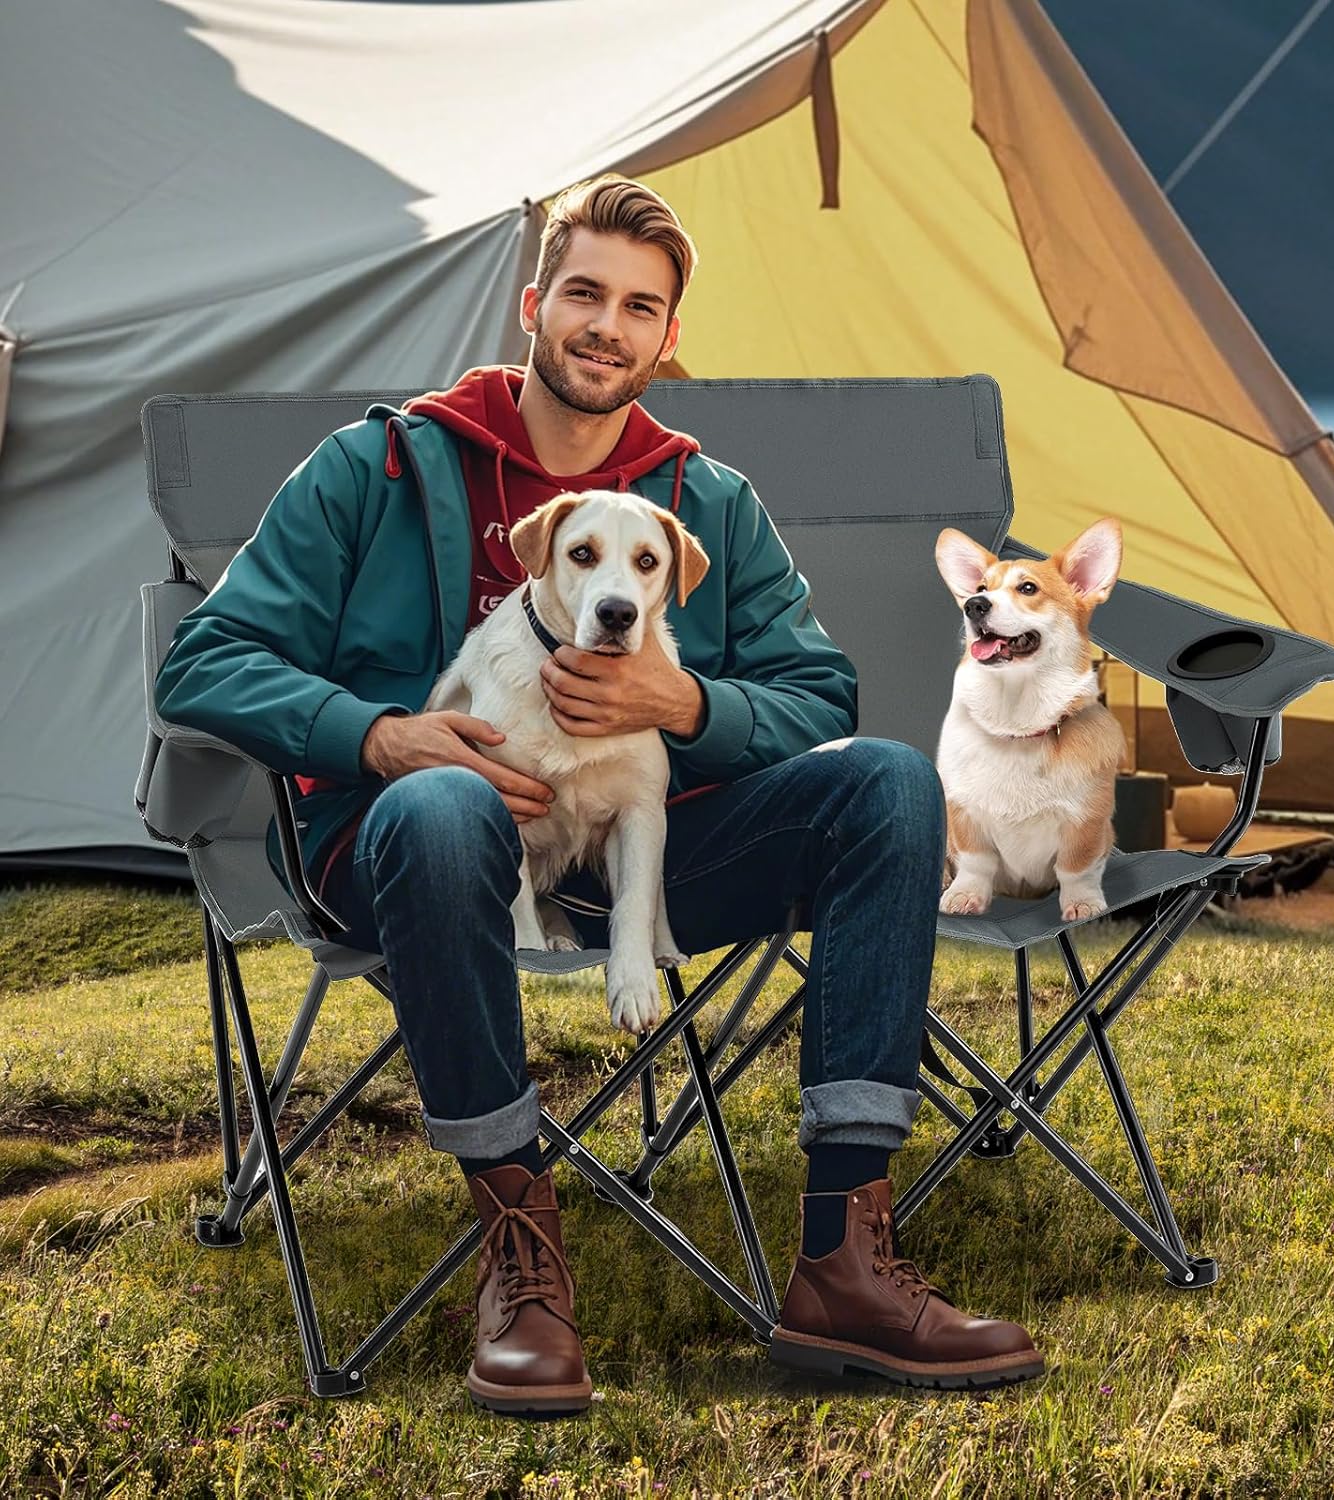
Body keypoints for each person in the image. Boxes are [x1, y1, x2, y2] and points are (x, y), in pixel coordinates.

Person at [155, 176, 1042, 1415]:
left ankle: (847, 1256)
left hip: (644, 850)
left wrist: (684, 709)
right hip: (410, 850)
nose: (606, 325)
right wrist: (382, 736)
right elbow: (206, 661)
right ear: (535, 303)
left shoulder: (704, 505)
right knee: (444, 807)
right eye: (584, 293)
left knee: (887, 785)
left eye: (640, 306)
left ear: (666, 338)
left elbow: (815, 696)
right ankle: (522, 1261)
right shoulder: (382, 468)